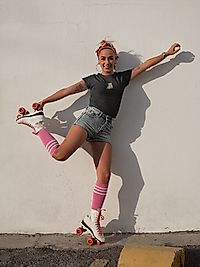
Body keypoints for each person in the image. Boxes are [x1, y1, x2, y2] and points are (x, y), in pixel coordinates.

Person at [16, 40, 181, 243]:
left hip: (106, 128)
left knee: (104, 175)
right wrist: (45, 101)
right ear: (98, 61)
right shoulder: (93, 80)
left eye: (110, 58)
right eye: (103, 59)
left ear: (115, 60)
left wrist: (167, 54)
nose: (107, 62)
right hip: (89, 119)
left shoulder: (122, 78)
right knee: (60, 155)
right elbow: (70, 89)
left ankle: (92, 219)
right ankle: (38, 125)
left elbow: (145, 66)